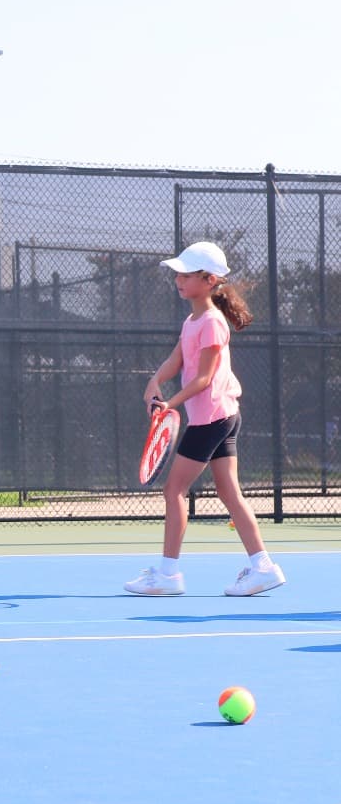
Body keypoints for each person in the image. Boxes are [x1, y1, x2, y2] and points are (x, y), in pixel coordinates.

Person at [124, 240, 286, 598]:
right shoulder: (192, 321)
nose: (178, 280)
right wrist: (155, 381)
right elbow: (177, 360)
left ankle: (168, 574)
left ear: (209, 280)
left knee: (173, 490)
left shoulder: (212, 323)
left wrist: (169, 405)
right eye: (178, 274)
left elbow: (203, 379)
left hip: (212, 419)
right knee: (229, 492)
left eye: (186, 275)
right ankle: (263, 567)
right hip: (221, 416)